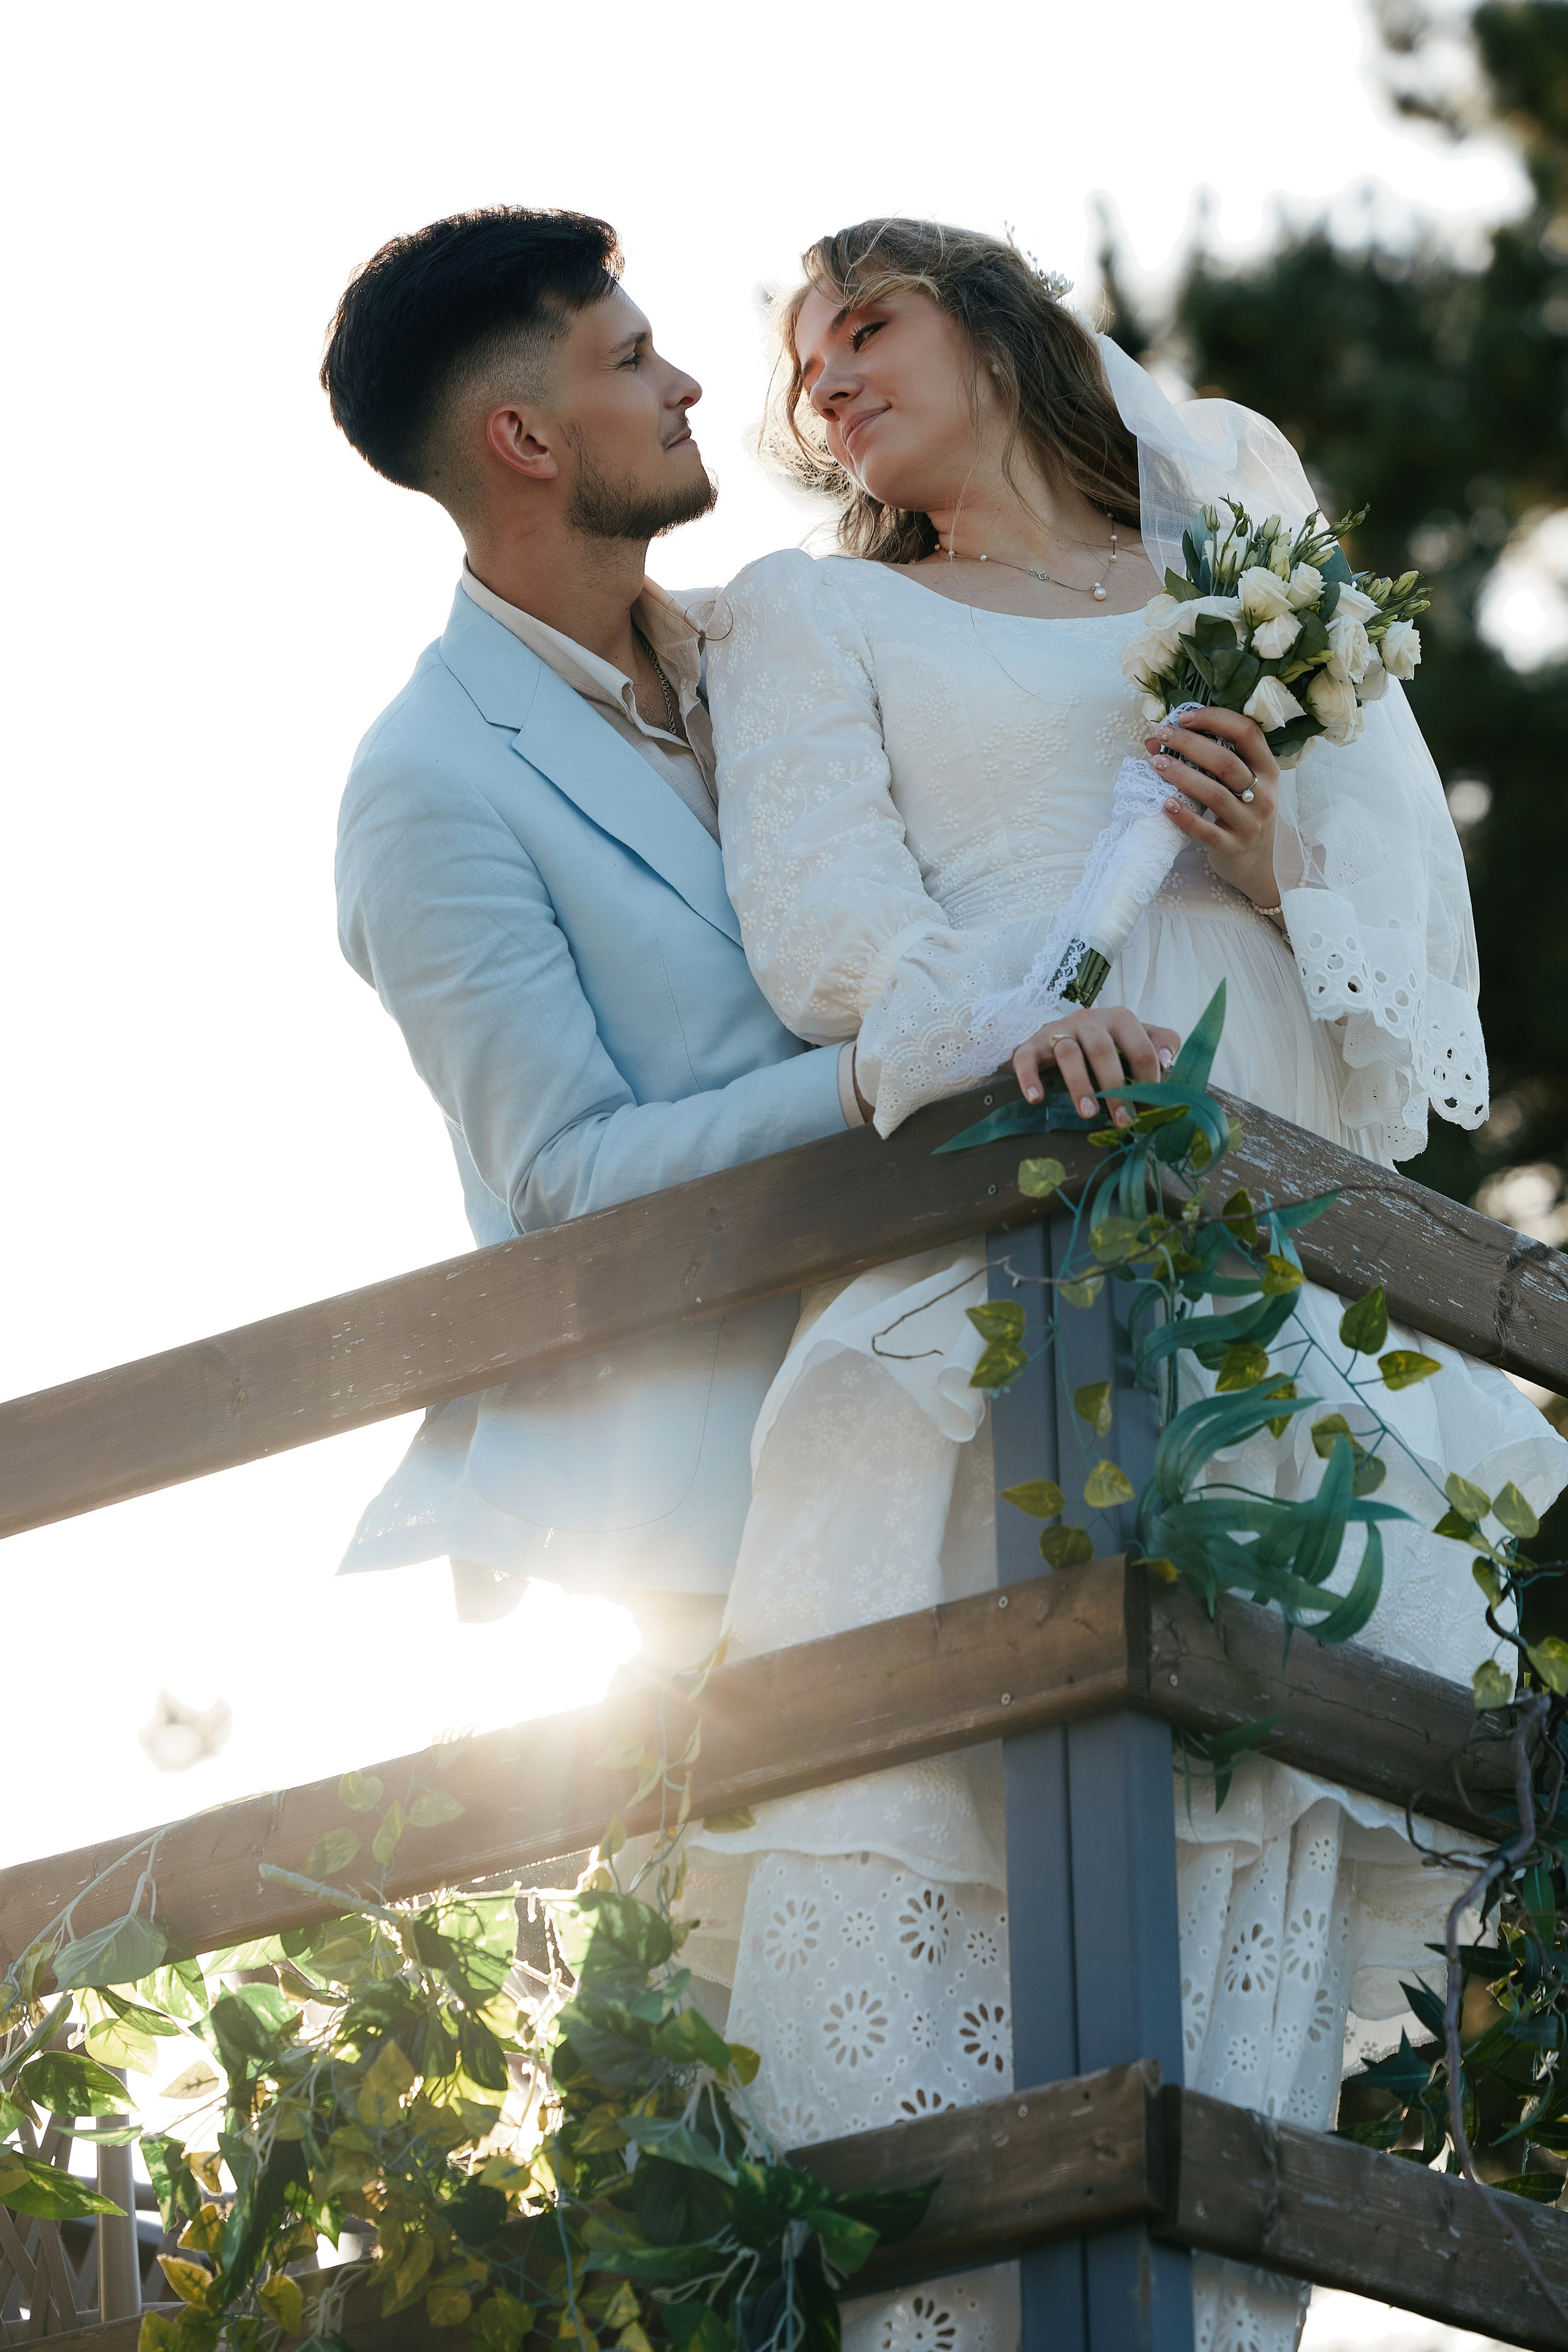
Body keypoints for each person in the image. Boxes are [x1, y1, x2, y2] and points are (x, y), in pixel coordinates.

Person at [687, 218, 1568, 2352]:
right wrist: (993, 1032)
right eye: (807, 370)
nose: (828, 387)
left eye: (864, 327)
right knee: (945, 1854)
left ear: (995, 326)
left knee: (1235, 1867)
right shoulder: (817, 616)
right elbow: (828, 917)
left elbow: (1412, 996)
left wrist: (1270, 858)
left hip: (1279, 1232)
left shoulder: (1247, 578)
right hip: (1030, 1196)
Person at [321, 208, 864, 1670]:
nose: (687, 385)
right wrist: (872, 1084)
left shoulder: (771, 654)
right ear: (528, 440)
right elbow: (561, 1177)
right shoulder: (426, 783)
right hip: (710, 1541)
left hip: (965, 1403)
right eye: (631, 360)